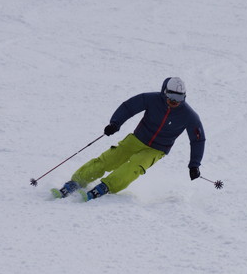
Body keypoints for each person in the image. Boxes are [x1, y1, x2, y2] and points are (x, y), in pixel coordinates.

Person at [52, 77, 206, 201]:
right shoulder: (151, 99)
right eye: (171, 97)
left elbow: (198, 139)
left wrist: (194, 165)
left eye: (179, 98)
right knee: (109, 159)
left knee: (134, 166)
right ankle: (77, 181)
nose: (174, 102)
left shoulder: (189, 115)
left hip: (157, 149)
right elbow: (129, 107)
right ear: (164, 92)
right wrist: (115, 123)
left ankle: (107, 186)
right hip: (137, 139)